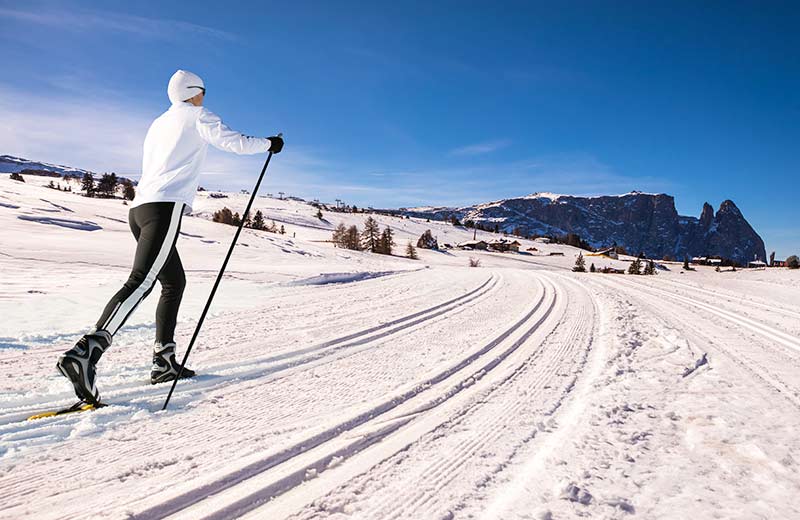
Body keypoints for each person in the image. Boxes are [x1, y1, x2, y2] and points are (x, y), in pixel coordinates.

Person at [56, 70, 284, 404]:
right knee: (142, 281)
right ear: (194, 92)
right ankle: (86, 352)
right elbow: (233, 142)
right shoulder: (196, 115)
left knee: (173, 281)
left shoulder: (159, 123)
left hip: (140, 210)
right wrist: (269, 144)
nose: (204, 97)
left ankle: (163, 361)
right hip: (164, 207)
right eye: (203, 91)